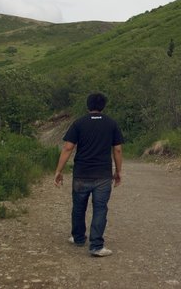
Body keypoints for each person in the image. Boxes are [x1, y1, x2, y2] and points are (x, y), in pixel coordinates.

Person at [54, 92, 125, 257]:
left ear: (88, 106)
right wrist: (119, 171)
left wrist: (58, 171)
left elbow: (68, 148)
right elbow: (118, 149)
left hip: (81, 174)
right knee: (100, 209)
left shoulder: (78, 123)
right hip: (103, 175)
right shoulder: (111, 124)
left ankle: (78, 238)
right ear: (103, 106)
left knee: (79, 207)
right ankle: (96, 246)